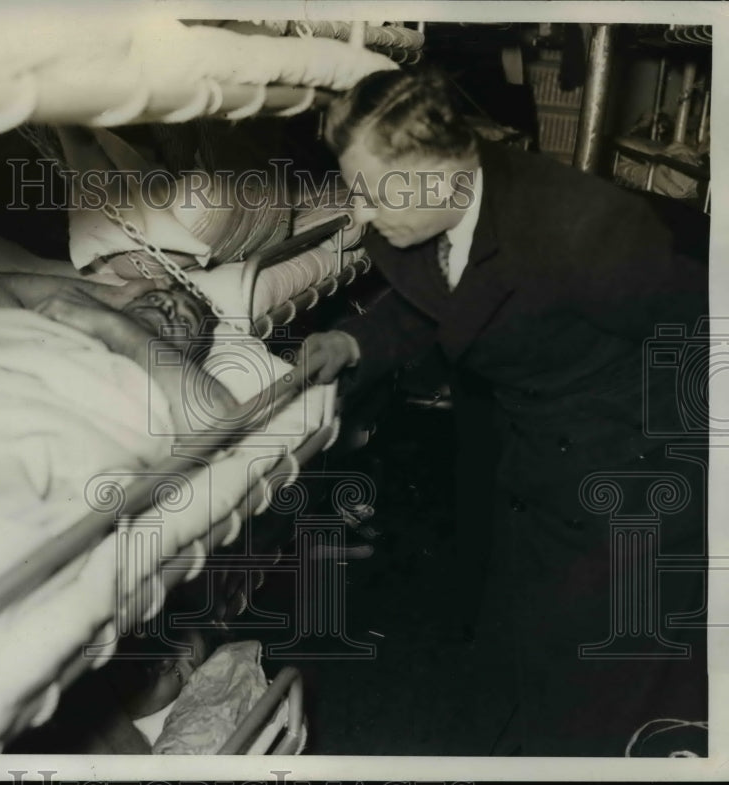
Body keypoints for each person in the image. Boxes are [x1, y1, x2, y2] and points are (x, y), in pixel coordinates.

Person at [301, 67, 708, 756]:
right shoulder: (411, 220)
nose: (361, 213)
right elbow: (431, 298)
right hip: (536, 464)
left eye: (375, 193)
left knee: (610, 679)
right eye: (355, 190)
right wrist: (353, 339)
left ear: (451, 171)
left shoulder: (583, 229)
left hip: (632, 470)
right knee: (526, 653)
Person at [0, 272, 234, 433]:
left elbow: (220, 422)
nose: (166, 308)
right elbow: (0, 285)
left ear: (187, 361)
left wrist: (115, 326)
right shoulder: (51, 329)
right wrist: (115, 295)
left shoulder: (155, 396)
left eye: (183, 322)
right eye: (155, 299)